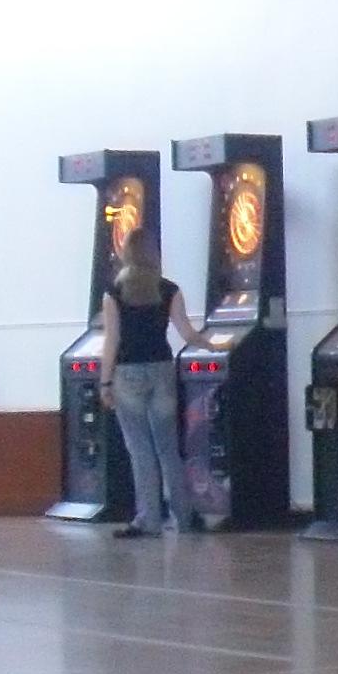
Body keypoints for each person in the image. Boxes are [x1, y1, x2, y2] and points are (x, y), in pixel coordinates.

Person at [96, 229, 198, 538]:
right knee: (168, 449)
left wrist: (105, 382)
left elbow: (112, 340)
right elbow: (187, 332)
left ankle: (149, 520)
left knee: (140, 450)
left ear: (126, 254)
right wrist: (215, 344)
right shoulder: (169, 290)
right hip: (162, 370)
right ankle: (184, 517)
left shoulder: (114, 293)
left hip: (127, 373)